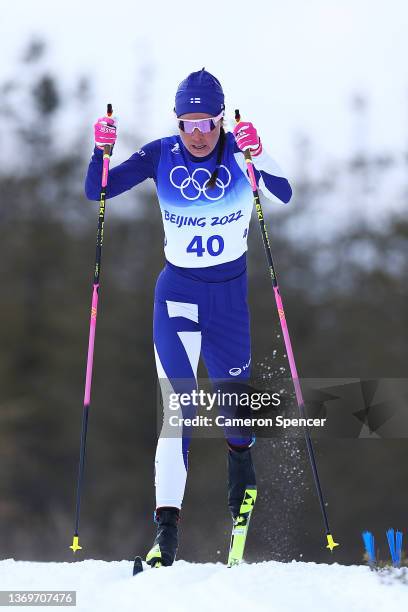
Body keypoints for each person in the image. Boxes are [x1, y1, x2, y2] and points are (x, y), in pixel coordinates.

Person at [85, 68, 292, 567]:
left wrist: (259, 155)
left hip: (228, 305)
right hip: (177, 295)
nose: (197, 134)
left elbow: (284, 192)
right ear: (176, 122)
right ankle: (167, 536)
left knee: (235, 417)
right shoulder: (160, 154)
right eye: (187, 123)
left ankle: (240, 507)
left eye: (207, 122)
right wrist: (101, 150)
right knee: (178, 412)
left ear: (222, 118)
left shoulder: (240, 157)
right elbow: (98, 190)